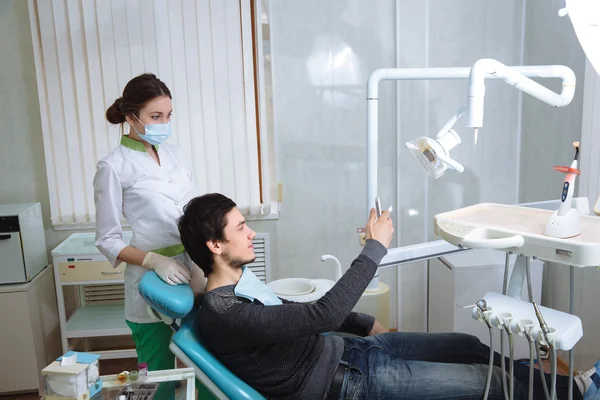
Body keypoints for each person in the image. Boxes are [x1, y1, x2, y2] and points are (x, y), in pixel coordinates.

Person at [177, 192, 600, 400]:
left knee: (468, 344)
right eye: (239, 227)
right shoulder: (224, 312)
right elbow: (322, 313)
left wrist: (363, 325)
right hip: (350, 383)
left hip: (353, 351)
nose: (251, 232)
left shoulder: (241, 287)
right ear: (215, 246)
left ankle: (568, 388)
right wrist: (375, 248)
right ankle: (575, 395)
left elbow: (298, 314)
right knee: (492, 381)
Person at [93, 73, 213, 400]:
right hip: (151, 281)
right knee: (155, 374)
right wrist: (152, 259)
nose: (164, 122)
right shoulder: (113, 167)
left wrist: (205, 264)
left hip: (193, 271)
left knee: (206, 364)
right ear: (131, 117)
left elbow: (193, 211)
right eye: (155, 117)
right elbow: (107, 238)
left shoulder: (175, 154)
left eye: (169, 115)